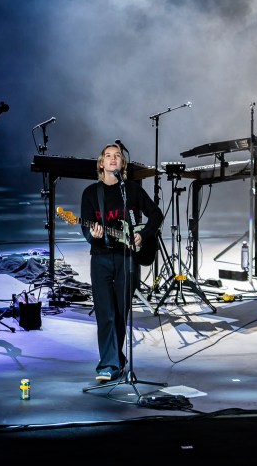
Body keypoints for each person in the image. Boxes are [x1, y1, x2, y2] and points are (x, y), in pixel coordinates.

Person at [80, 143, 163, 383]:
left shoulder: (132, 191)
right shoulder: (90, 193)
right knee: (105, 313)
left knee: (119, 313)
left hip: (127, 259)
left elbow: (156, 214)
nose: (113, 159)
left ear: (122, 164)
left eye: (117, 156)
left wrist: (143, 234)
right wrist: (92, 235)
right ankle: (108, 364)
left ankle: (117, 361)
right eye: (108, 156)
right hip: (101, 258)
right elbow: (84, 225)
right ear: (101, 164)